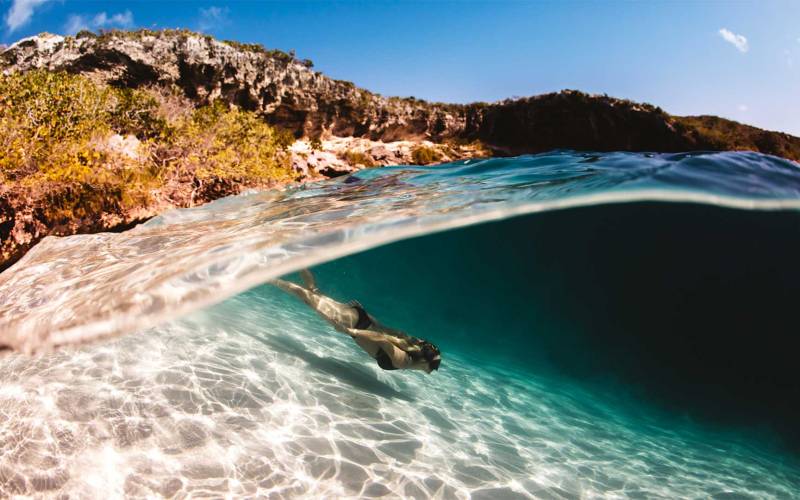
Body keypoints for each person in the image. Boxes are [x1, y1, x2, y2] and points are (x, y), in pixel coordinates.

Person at [270, 270, 441, 373]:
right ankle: (267, 276)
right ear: (424, 361)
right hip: (354, 324)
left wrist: (365, 314)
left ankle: (295, 260)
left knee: (313, 293)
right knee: (307, 296)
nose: (431, 371)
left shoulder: (406, 353)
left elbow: (382, 330)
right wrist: (350, 331)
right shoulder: (403, 361)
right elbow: (381, 338)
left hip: (361, 320)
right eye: (432, 367)